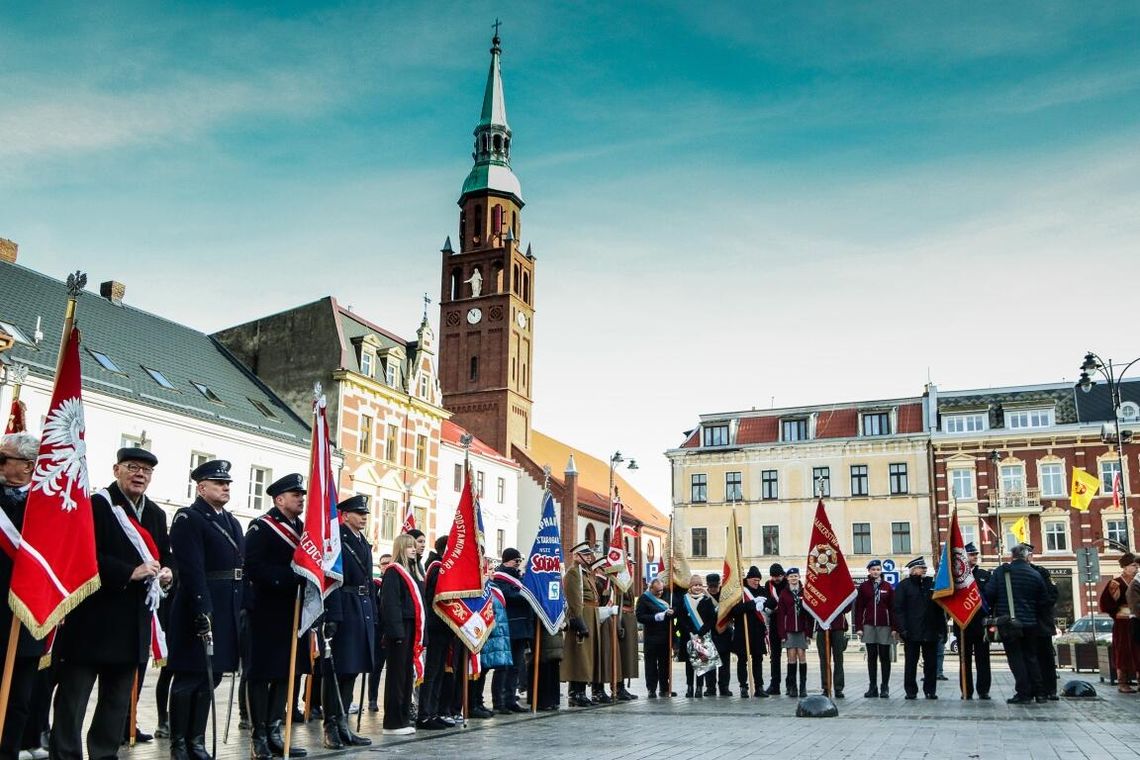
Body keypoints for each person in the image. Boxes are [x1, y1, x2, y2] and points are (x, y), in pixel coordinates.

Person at [50, 447, 174, 760]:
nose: (140, 474)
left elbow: (167, 557)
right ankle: (64, 755)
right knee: (73, 699)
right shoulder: (95, 506)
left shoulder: (157, 515)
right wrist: (128, 572)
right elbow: (82, 554)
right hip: (93, 621)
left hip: (133, 625)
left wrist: (170, 574)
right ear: (116, 469)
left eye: (146, 470)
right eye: (133, 467)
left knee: (117, 701)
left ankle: (104, 754)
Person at [166, 459, 245, 760]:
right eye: (218, 483)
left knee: (211, 678)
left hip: (226, 609)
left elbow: (241, 567)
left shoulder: (232, 522)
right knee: (189, 676)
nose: (226, 487)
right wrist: (202, 608)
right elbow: (191, 568)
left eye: (227, 483)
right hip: (199, 606)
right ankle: (179, 744)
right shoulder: (189, 518)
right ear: (201, 488)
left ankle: (196, 740)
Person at [242, 473, 309, 760]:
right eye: (296, 495)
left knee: (286, 673)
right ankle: (259, 735)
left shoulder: (304, 529)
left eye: (302, 495)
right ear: (279, 499)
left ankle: (275, 731)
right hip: (267, 611)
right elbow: (253, 567)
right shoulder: (261, 527)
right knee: (261, 675)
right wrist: (290, 578)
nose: (301, 499)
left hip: (293, 612)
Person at [0, 432, 48, 760]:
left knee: (18, 700)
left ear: (29, 466)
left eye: (5, 458)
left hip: (28, 616)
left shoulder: (49, 505)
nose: (0, 463)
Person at [320, 495, 373, 748]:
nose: (363, 516)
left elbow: (368, 584)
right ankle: (331, 726)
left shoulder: (363, 542)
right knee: (337, 671)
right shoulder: (337, 540)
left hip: (361, 609)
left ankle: (344, 726)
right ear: (344, 515)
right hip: (345, 607)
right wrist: (334, 615)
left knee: (351, 671)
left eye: (364, 513)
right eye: (358, 512)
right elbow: (332, 580)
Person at [985, 544, 1049, 703]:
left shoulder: (1002, 572)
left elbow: (989, 593)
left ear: (1011, 556)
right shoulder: (1035, 574)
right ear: (1026, 557)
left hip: (1009, 623)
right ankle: (1040, 693)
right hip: (1031, 623)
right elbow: (1044, 600)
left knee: (1016, 658)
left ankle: (1024, 693)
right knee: (1031, 657)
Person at [379, 534, 425, 735]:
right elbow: (390, 605)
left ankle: (404, 717)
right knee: (396, 676)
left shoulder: (414, 572)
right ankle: (393, 721)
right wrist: (396, 633)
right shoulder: (393, 572)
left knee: (407, 675)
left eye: (414, 546)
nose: (414, 549)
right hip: (400, 630)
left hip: (412, 629)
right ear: (400, 548)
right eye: (409, 547)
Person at [419, 535, 457, 729]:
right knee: (432, 672)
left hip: (444, 627)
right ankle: (425, 714)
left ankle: (434, 712)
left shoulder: (442, 565)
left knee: (440, 672)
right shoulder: (435, 566)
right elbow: (436, 594)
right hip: (436, 626)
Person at [893, 556, 945, 700]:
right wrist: (902, 629)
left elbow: (940, 609)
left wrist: (942, 629)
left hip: (930, 631)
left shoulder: (932, 585)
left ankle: (930, 690)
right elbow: (898, 610)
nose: (924, 569)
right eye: (921, 568)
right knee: (911, 663)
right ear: (913, 570)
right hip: (911, 632)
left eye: (924, 568)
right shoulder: (903, 586)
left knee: (931, 664)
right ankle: (911, 691)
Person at [492, 547, 534, 713]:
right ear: (507, 560)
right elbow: (508, 595)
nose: (518, 564)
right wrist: (527, 595)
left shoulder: (518, 576)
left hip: (521, 626)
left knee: (516, 666)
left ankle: (510, 699)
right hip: (507, 625)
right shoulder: (500, 577)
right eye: (516, 561)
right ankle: (499, 701)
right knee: (504, 666)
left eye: (519, 561)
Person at [560, 542, 599, 707]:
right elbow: (574, 600)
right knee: (579, 658)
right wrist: (578, 622)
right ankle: (576, 693)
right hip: (580, 618)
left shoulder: (585, 574)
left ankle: (581, 691)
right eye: (585, 554)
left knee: (585, 658)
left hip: (589, 617)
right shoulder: (573, 573)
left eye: (589, 554)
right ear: (576, 556)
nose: (589, 557)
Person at [854, 559, 896, 698]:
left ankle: (885, 687)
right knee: (872, 657)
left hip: (885, 625)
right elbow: (859, 608)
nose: (876, 572)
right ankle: (873, 687)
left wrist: (894, 627)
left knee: (885, 657)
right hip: (869, 625)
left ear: (881, 571)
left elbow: (893, 608)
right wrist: (859, 626)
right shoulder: (864, 587)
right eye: (873, 569)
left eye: (878, 569)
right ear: (869, 571)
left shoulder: (888, 586)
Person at [1099, 552, 1140, 693]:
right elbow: (1105, 603)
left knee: (1138, 650)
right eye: (1133, 566)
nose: (1136, 568)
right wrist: (1118, 612)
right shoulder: (1116, 583)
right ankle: (1122, 682)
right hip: (1123, 623)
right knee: (1123, 651)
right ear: (1125, 567)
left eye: (1136, 565)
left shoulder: (1138, 581)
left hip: (1137, 620)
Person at [957, 544, 991, 700]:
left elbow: (990, 597)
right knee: (964, 659)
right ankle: (966, 689)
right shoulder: (957, 577)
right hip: (962, 622)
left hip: (980, 622)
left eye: (975, 554)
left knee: (982, 658)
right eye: (971, 555)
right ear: (964, 557)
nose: (974, 557)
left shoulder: (984, 575)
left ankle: (983, 690)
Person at [1026, 544, 1059, 700]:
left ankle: (1050, 689)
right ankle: (1034, 689)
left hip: (1041, 623)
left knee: (1046, 657)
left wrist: (1037, 606)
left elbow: (1052, 595)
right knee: (1030, 657)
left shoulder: (1041, 572)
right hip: (1026, 623)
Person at [732, 566, 770, 699]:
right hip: (743, 631)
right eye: (754, 579)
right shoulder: (740, 592)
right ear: (748, 579)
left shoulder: (762, 591)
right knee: (742, 659)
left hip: (758, 631)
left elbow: (769, 604)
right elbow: (734, 610)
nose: (756, 582)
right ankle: (743, 686)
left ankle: (759, 686)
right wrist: (751, 604)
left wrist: (764, 605)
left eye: (758, 580)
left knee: (758, 659)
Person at [777, 567, 814, 698]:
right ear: (787, 578)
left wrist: (809, 633)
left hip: (802, 630)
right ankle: (793, 687)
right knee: (791, 656)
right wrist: (782, 634)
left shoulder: (805, 593)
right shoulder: (784, 594)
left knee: (802, 655)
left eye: (795, 576)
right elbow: (780, 615)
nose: (793, 578)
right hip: (789, 630)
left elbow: (810, 614)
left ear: (799, 577)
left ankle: (803, 687)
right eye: (791, 576)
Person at [636, 577, 674, 698]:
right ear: (650, 588)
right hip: (652, 636)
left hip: (665, 635)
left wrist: (671, 613)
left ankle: (665, 688)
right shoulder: (644, 598)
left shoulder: (666, 597)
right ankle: (651, 689)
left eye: (661, 591)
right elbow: (640, 617)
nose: (660, 593)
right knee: (651, 664)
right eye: (657, 591)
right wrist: (655, 617)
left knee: (664, 664)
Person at [676, 574, 712, 698]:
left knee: (701, 664)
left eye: (699, 585)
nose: (697, 587)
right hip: (688, 636)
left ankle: (699, 688)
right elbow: (680, 617)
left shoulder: (706, 600)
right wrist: (689, 631)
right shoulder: (684, 599)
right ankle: (690, 687)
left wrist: (701, 632)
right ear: (690, 586)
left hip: (702, 636)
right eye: (695, 585)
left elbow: (711, 619)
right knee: (689, 664)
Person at [366, 553, 392, 712]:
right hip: (379, 631)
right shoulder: (376, 584)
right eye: (383, 563)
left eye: (388, 562)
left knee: (393, 669)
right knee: (376, 667)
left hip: (392, 630)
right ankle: (372, 699)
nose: (386, 565)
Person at [699, 573, 733, 696]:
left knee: (724, 664)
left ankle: (724, 687)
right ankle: (710, 688)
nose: (713, 588)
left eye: (716, 586)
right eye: (711, 586)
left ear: (719, 584)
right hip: (709, 633)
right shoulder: (703, 598)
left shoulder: (725, 596)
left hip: (724, 633)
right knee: (710, 663)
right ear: (707, 585)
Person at [816, 604, 850, 699]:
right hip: (822, 625)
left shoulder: (841, 589)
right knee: (824, 659)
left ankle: (838, 688)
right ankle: (826, 687)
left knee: (838, 659)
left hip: (838, 625)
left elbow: (848, 606)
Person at [764, 564, 787, 695]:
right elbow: (769, 601)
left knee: (792, 655)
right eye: (773, 576)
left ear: (782, 575)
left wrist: (775, 605)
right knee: (775, 656)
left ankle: (791, 685)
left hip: (786, 622)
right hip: (774, 623)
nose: (776, 579)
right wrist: (771, 606)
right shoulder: (769, 585)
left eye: (778, 576)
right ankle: (775, 684)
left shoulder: (788, 583)